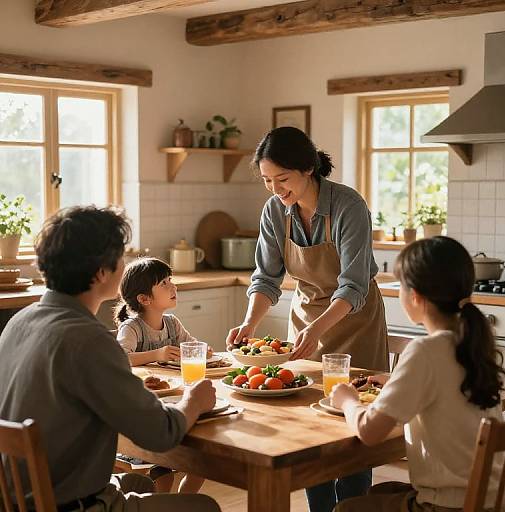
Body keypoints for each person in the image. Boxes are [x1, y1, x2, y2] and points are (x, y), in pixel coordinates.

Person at [0, 206, 220, 512]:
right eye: (120, 256)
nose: (124, 264)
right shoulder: (88, 340)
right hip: (69, 505)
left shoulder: (18, 322)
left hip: (19, 499)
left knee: (141, 484)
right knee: (204, 507)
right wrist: (194, 400)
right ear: (102, 272)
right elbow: (160, 434)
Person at [226, 126, 389, 511]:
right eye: (267, 180)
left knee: (352, 431)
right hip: (306, 321)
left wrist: (318, 329)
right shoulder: (274, 211)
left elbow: (353, 285)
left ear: (308, 169)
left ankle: (353, 506)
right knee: (308, 433)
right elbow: (266, 278)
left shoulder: (348, 206)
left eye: (282, 179)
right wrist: (249, 323)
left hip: (354, 322)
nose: (275, 189)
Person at [331, 236, 505, 512]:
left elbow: (369, 432)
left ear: (415, 296)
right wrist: (394, 383)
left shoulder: (425, 351)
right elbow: (447, 390)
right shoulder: (471, 342)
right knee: (381, 491)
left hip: (448, 506)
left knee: (346, 509)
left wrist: (346, 400)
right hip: (489, 500)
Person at [115, 257, 207, 494]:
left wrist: (204, 350)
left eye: (171, 280)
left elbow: (193, 346)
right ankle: (164, 500)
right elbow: (120, 357)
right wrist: (158, 353)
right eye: (164, 283)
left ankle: (183, 500)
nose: (173, 287)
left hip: (173, 402)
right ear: (144, 299)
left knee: (199, 463)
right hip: (143, 410)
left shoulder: (172, 324)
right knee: (161, 473)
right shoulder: (132, 328)